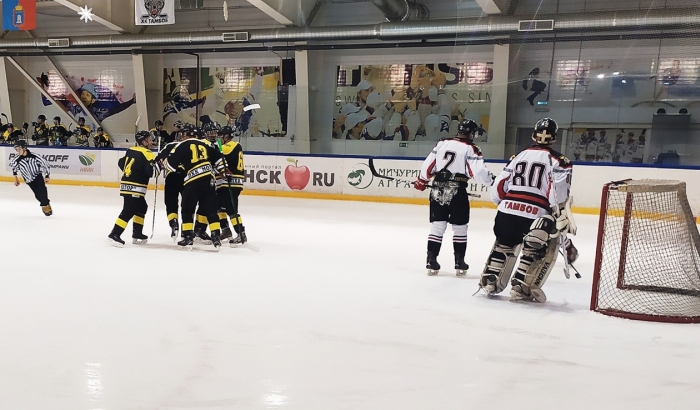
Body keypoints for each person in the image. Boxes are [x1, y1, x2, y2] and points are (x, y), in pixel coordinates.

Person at [479, 118, 574, 302]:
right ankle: (520, 287)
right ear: (554, 138)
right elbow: (557, 193)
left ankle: (491, 281)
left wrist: (504, 205)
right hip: (535, 214)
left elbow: (499, 185)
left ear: (533, 135)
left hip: (507, 210)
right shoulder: (561, 161)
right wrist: (555, 214)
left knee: (504, 244)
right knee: (533, 250)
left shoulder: (518, 156)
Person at [414, 119, 495, 276]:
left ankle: (431, 260)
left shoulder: (442, 143)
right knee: (460, 227)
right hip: (457, 191)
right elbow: (478, 172)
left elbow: (429, 164)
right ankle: (459, 262)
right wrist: (492, 182)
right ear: (470, 133)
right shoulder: (471, 148)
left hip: (437, 188)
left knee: (437, 226)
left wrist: (422, 180)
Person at [165, 126, 225, 250]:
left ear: (186, 135)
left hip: (192, 180)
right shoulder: (205, 144)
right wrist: (224, 170)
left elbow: (170, 165)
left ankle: (188, 236)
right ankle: (216, 236)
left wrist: (179, 167)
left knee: (187, 209)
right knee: (211, 209)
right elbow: (219, 159)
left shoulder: (181, 145)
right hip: (209, 178)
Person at [106, 131, 156, 247]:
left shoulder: (131, 150)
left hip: (127, 183)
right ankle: (114, 234)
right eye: (149, 140)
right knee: (129, 210)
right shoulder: (148, 153)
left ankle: (137, 233)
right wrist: (158, 165)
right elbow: (151, 172)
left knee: (142, 207)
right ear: (143, 142)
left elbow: (121, 162)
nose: (151, 142)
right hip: (136, 186)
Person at [216, 125, 247, 246]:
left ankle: (241, 233)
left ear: (227, 136)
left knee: (231, 209)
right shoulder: (231, 146)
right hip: (226, 183)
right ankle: (226, 230)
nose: (219, 138)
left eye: (221, 136)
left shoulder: (231, 145)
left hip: (232, 182)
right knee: (219, 207)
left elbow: (218, 152)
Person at [156, 124, 188, 240]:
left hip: (171, 178)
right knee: (187, 205)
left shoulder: (169, 146)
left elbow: (158, 160)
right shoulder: (190, 145)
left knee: (171, 203)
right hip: (186, 178)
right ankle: (186, 230)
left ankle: (174, 224)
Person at [9, 140, 53, 216]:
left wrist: (47, 175)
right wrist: (15, 178)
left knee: (42, 191)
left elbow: (45, 164)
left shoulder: (35, 156)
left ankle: (45, 205)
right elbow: (14, 168)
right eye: (16, 149)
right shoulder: (16, 159)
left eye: (19, 148)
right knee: (37, 195)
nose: (17, 151)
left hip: (37, 176)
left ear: (24, 148)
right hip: (28, 180)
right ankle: (45, 203)